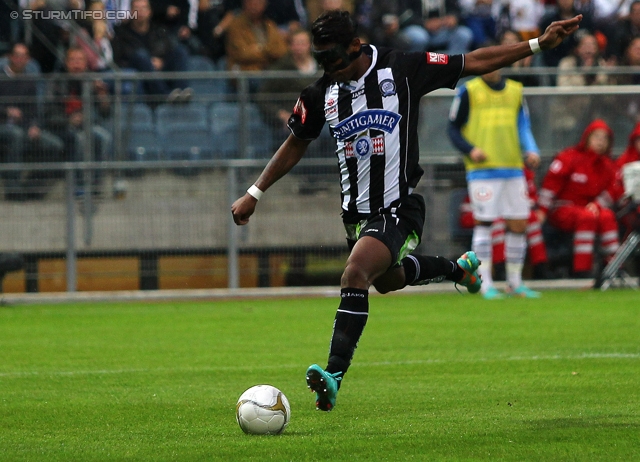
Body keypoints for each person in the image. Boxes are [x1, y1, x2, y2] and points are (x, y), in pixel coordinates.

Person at [231, 10, 582, 411]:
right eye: (320, 59)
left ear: (355, 47)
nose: (327, 68)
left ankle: (334, 375)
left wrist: (537, 43)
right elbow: (296, 141)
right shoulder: (320, 94)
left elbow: (474, 61)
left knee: (356, 273)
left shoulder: (403, 69)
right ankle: (458, 270)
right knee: (388, 280)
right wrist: (255, 192)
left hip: (399, 205)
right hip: (356, 215)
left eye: (333, 59)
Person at [448, 68, 542, 299]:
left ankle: (515, 282)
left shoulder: (515, 91)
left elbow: (523, 126)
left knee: (519, 224)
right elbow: (453, 128)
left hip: (512, 167)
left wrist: (531, 149)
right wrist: (470, 149)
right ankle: (485, 283)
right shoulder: (468, 91)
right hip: (482, 171)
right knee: (484, 224)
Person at [538, 119, 622, 278]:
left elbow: (614, 189)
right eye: (597, 137)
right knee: (587, 217)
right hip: (562, 209)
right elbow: (550, 185)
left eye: (605, 139)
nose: (600, 142)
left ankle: (613, 267)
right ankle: (582, 271)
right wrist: (542, 210)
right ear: (587, 137)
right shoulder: (569, 157)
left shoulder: (608, 165)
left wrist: (597, 204)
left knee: (607, 216)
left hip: (590, 209)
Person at [458, 167, 549, 281]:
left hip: (508, 216)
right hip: (484, 217)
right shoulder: (485, 175)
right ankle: (495, 272)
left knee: (530, 220)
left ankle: (536, 269)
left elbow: (529, 199)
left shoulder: (520, 174)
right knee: (497, 222)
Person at [0, 43, 64, 200]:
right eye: (17, 55)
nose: (20, 59)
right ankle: (13, 190)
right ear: (9, 57)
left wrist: (34, 125)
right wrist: (6, 111)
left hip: (23, 127)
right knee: (15, 136)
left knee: (54, 145)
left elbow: (33, 110)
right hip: (3, 125)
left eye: (24, 56)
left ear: (28, 59)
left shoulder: (30, 81)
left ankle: (32, 188)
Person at [46, 47, 112, 193]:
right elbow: (49, 113)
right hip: (62, 127)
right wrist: (68, 120)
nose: (76, 64)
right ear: (66, 63)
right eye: (72, 60)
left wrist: (102, 96)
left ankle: (96, 184)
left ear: (86, 64)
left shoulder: (92, 82)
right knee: (80, 139)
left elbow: (105, 114)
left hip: (87, 126)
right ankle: (78, 184)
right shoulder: (57, 81)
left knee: (104, 137)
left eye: (80, 60)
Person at [112, 0, 192, 103]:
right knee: (141, 55)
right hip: (137, 73)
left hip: (160, 70)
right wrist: (147, 62)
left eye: (144, 8)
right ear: (131, 11)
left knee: (180, 51)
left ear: (150, 11)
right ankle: (165, 95)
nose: (140, 11)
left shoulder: (158, 30)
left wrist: (161, 61)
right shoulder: (121, 33)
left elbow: (168, 49)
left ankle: (182, 92)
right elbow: (118, 60)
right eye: (137, 8)